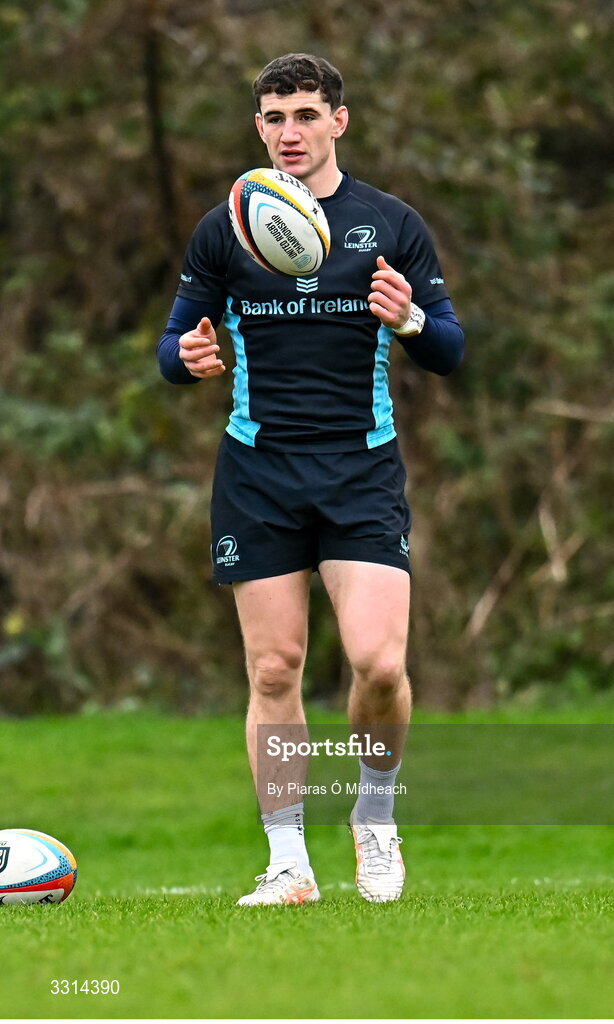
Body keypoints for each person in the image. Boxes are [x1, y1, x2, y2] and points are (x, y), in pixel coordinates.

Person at [157, 53, 464, 905]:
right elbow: (174, 345)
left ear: (339, 121)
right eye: (272, 117)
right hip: (257, 470)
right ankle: (289, 861)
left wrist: (407, 319)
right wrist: (185, 358)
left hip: (361, 466)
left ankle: (374, 817)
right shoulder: (229, 226)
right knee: (272, 669)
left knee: (377, 663)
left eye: (303, 114)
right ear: (257, 126)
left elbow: (448, 350)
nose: (288, 132)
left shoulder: (389, 222)